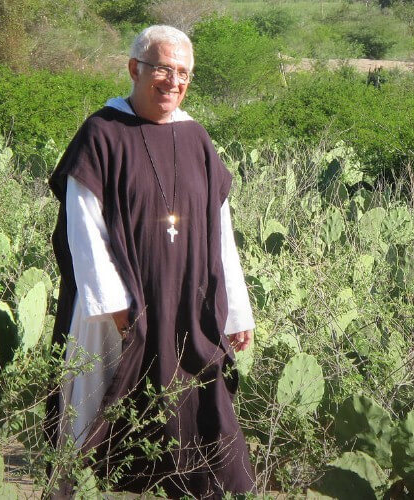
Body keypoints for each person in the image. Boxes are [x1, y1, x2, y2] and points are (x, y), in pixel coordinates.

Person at [46, 25, 255, 498]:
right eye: (162, 68)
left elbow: (221, 234)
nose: (173, 81)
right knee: (98, 415)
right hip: (118, 312)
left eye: (183, 72)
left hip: (187, 307)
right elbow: (84, 228)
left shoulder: (197, 137)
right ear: (134, 68)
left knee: (195, 411)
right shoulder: (101, 133)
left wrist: (237, 311)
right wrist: (117, 307)